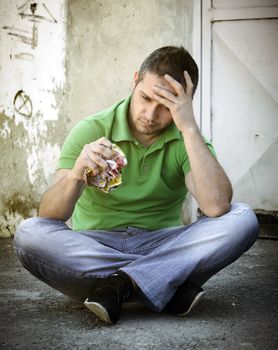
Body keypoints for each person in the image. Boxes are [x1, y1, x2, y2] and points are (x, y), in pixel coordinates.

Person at [14, 46, 259, 324]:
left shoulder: (186, 140)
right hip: (97, 245)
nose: (150, 115)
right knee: (29, 233)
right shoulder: (91, 129)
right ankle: (164, 283)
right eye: (145, 98)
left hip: (163, 243)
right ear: (135, 81)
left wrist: (189, 128)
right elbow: (50, 215)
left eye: (166, 107)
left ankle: (120, 285)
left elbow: (215, 205)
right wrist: (76, 173)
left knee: (243, 218)